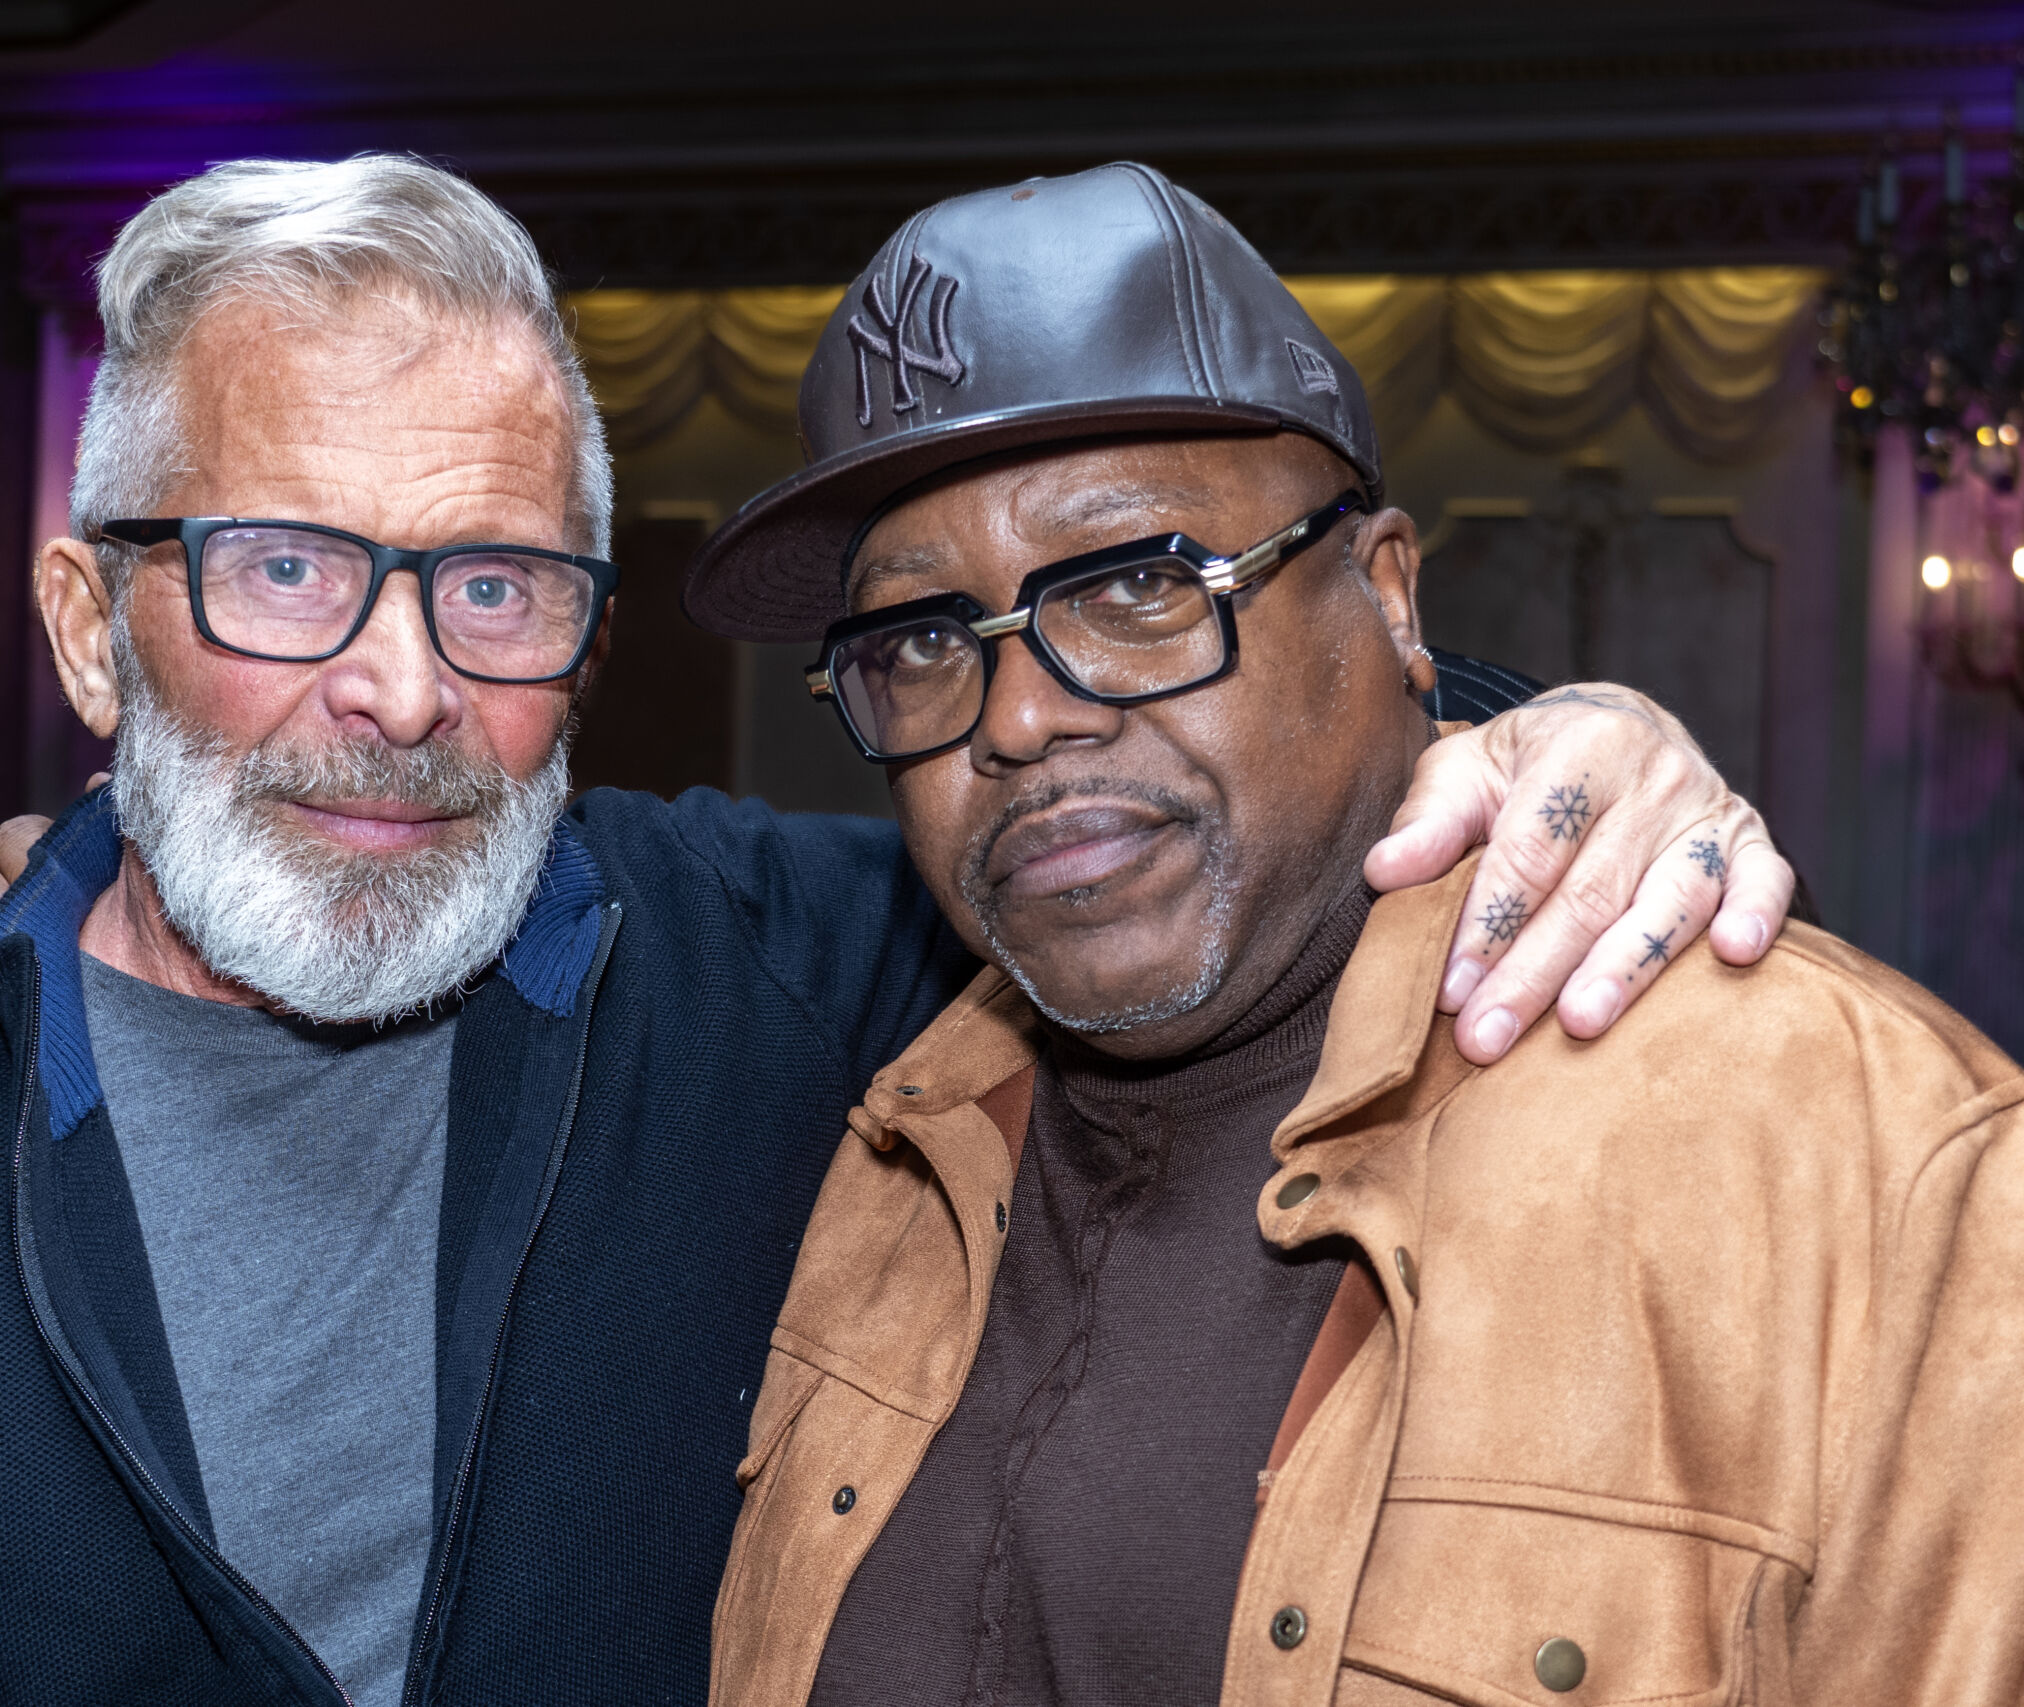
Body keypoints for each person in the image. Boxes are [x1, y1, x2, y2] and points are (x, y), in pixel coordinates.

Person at [0, 156, 1787, 1707]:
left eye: (494, 586)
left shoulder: (787, 976)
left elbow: (1200, 798)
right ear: (92, 625)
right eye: (284, 569)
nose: (398, 689)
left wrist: (1542, 732)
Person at [687, 163, 2024, 1707]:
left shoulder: (1862, 1155)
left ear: (1388, 594)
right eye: (926, 639)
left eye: (1139, 585)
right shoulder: (880, 1145)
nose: (1022, 716)